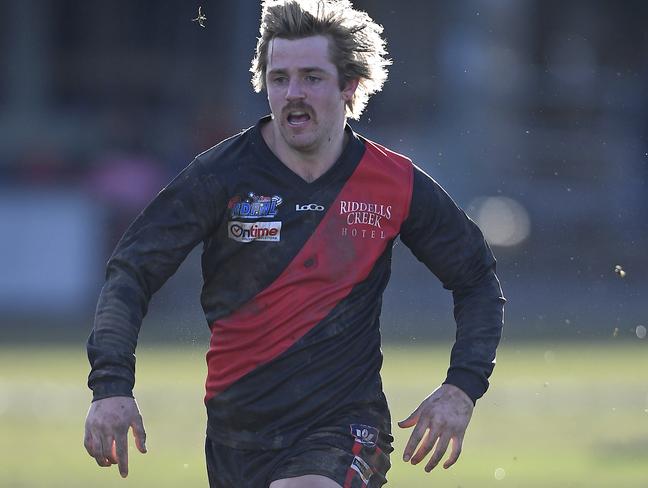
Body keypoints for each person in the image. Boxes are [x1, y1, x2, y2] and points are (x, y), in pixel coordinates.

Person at [83, 1, 506, 487]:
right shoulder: (220, 176)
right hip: (237, 437)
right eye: (279, 78)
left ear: (349, 86)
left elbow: (476, 279)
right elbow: (130, 272)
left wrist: (461, 387)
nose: (293, 94)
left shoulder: (394, 183)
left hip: (345, 427)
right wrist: (111, 387)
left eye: (311, 77)